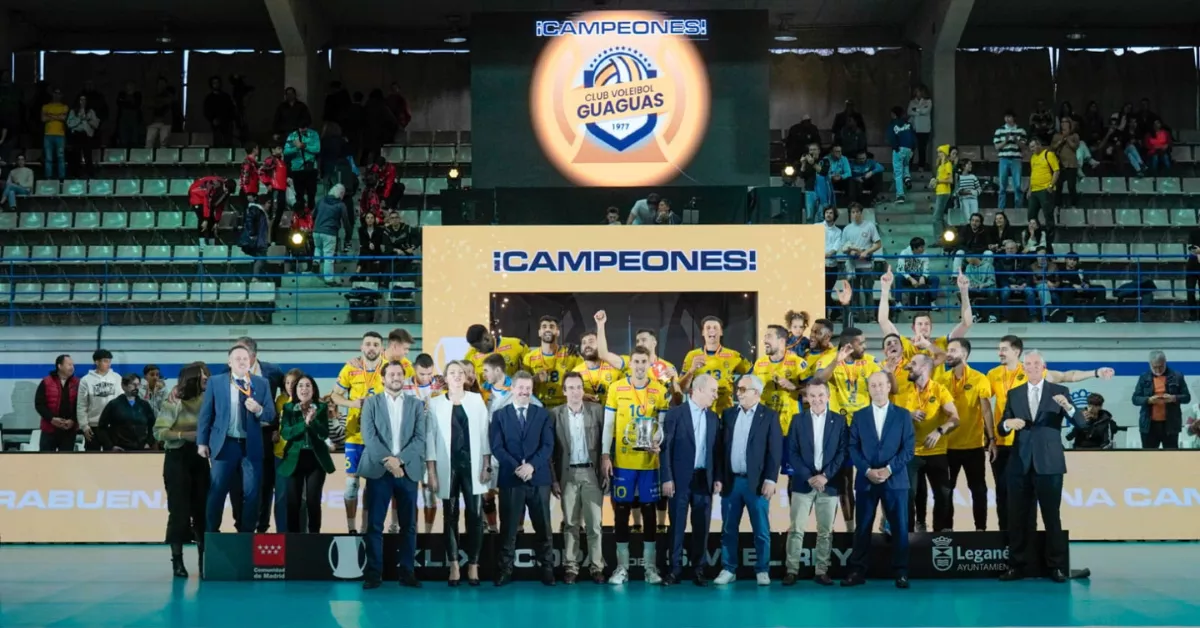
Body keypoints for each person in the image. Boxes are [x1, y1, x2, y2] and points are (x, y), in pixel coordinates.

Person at [997, 350, 1085, 584]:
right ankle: (1017, 566)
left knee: (1051, 516)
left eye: (1037, 363)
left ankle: (1056, 566)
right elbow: (1001, 427)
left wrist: (1068, 407)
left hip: (1049, 464)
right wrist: (1007, 423)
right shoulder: (1014, 393)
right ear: (1023, 367)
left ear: (1043, 366)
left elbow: (1082, 424)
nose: (1033, 367)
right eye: (1029, 363)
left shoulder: (1060, 391)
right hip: (1020, 464)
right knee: (1018, 517)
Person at [602, 347, 672, 584]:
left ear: (650, 363)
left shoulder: (659, 390)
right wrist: (605, 454)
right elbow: (608, 425)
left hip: (649, 463)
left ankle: (650, 568)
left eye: (644, 361)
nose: (640, 366)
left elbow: (661, 426)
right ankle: (621, 568)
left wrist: (657, 442)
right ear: (630, 363)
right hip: (623, 462)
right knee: (621, 512)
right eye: (636, 361)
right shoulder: (616, 388)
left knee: (649, 512)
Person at [358, 360, 427, 590]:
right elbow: (369, 437)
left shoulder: (416, 405)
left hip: (408, 471)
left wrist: (400, 461)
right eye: (392, 374)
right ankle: (373, 574)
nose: (396, 377)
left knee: (409, 526)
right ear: (383, 378)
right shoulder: (371, 403)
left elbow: (420, 438)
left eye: (399, 374)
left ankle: (407, 572)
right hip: (379, 471)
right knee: (374, 524)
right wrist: (389, 462)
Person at [842, 372, 914, 589]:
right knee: (863, 527)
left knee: (900, 527)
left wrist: (889, 470)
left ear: (889, 387)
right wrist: (866, 471)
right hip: (867, 481)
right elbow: (853, 447)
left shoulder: (903, 415)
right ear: (869, 389)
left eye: (881, 384)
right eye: (873, 385)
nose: (878, 389)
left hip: (896, 481)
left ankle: (901, 572)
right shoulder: (859, 416)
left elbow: (908, 449)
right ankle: (857, 571)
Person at [426, 361, 493, 587]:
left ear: (465, 377)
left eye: (460, 373)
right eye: (452, 373)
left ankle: (473, 564)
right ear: (445, 378)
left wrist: (486, 464)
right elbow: (430, 439)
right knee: (450, 515)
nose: (456, 376)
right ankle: (454, 564)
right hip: (448, 467)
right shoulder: (435, 403)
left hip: (473, 465)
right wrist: (431, 471)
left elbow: (484, 433)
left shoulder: (476, 401)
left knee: (475, 515)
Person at [197, 345, 276, 532]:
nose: (242, 362)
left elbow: (270, 414)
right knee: (217, 491)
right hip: (225, 444)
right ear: (229, 362)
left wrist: (258, 409)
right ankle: (211, 535)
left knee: (252, 493)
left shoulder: (261, 383)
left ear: (251, 362)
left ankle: (246, 535)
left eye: (245, 359)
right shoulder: (216, 382)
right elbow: (206, 414)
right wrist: (202, 441)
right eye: (237, 358)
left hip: (251, 446)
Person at [713, 374, 782, 586]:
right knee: (728, 529)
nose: (738, 393)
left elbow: (775, 451)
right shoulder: (728, 414)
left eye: (743, 390)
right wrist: (719, 477)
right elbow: (720, 450)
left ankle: (762, 569)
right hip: (731, 482)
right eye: (738, 389)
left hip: (758, 483)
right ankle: (728, 568)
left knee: (761, 530)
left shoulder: (769, 416)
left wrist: (771, 479)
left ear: (757, 393)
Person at [489, 371, 556, 587]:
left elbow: (548, 445)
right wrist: (517, 467)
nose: (525, 392)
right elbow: (497, 447)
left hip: (538, 479)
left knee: (543, 527)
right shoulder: (499, 415)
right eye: (521, 388)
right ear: (512, 389)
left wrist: (531, 466)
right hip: (511, 479)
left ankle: (547, 569)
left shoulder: (543, 414)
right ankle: (504, 570)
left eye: (528, 388)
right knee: (508, 529)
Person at [783, 381, 847, 586]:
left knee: (825, 531)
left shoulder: (839, 421)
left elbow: (842, 452)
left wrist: (825, 476)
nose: (816, 399)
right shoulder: (797, 420)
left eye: (820, 395)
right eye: (812, 396)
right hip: (803, 483)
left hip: (829, 483)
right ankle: (792, 570)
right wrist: (809, 476)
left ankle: (821, 571)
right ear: (806, 398)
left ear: (828, 397)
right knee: (796, 529)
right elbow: (792, 451)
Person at [660, 373, 720, 586]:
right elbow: (665, 449)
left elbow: (716, 451)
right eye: (713, 391)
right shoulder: (675, 414)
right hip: (678, 480)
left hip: (704, 480)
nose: (716, 395)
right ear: (699, 390)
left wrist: (717, 477)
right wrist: (667, 478)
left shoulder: (713, 418)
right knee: (677, 526)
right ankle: (674, 570)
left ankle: (699, 569)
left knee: (702, 527)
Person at [154, 362, 211, 578]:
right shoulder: (174, 401)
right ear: (193, 378)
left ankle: (204, 559)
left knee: (202, 510)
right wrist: (183, 435)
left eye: (207, 374)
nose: (206, 378)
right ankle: (177, 560)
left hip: (200, 458)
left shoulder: (208, 399)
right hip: (177, 458)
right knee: (179, 511)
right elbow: (159, 432)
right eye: (202, 375)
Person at [549, 371, 606, 585]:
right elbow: (550, 452)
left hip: (592, 473)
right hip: (567, 475)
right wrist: (554, 480)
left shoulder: (597, 411)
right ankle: (571, 567)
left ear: (583, 390)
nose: (575, 391)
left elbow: (605, 444)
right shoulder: (554, 414)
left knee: (594, 524)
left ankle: (597, 567)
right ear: (564, 391)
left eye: (579, 387)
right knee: (571, 523)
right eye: (571, 388)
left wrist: (606, 471)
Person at [893, 354, 959, 532]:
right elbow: (892, 418)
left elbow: (955, 418)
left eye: (913, 363)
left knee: (943, 495)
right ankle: (907, 535)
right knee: (908, 495)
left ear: (924, 368)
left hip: (936, 452)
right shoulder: (903, 391)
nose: (908, 366)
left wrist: (940, 430)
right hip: (910, 453)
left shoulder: (939, 390)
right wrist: (908, 415)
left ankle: (939, 536)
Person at [935, 338, 995, 531]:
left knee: (978, 490)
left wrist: (991, 439)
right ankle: (947, 531)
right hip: (947, 446)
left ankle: (980, 530)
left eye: (953, 350)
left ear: (965, 354)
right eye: (948, 350)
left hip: (973, 446)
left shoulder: (979, 378)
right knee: (945, 491)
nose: (948, 354)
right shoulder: (941, 379)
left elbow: (986, 411)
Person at [332, 332, 387, 534]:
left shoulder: (389, 368)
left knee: (373, 486)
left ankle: (366, 527)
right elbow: (335, 395)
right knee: (351, 485)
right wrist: (352, 403)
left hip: (379, 437)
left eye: (375, 344)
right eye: (368, 344)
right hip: (354, 434)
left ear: (382, 349)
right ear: (361, 347)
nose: (371, 348)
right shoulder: (350, 368)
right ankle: (351, 529)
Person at [279, 374, 335, 533]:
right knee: (293, 502)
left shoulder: (321, 407)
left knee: (313, 501)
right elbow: (286, 433)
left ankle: (314, 536)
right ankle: (294, 538)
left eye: (308, 385)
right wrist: (305, 423)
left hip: (316, 459)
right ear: (295, 390)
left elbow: (324, 433)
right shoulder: (288, 408)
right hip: (294, 459)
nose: (304, 389)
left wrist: (313, 421)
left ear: (313, 389)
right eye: (300, 386)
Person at [680, 316, 752, 415]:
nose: (711, 330)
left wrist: (743, 392)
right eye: (708, 328)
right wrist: (691, 370)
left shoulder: (733, 355)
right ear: (703, 332)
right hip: (700, 413)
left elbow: (753, 375)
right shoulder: (692, 356)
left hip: (725, 413)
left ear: (721, 332)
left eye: (715, 328)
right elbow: (681, 389)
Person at [1131, 350, 1191, 450]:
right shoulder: (1144, 377)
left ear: (1165, 362)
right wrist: (1148, 400)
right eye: (1155, 367)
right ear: (1150, 364)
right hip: (1149, 426)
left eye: (1161, 366)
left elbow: (1187, 397)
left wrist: (1174, 398)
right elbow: (1135, 399)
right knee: (1149, 456)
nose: (1158, 370)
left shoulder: (1177, 376)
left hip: (1170, 425)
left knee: (1171, 456)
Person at [96, 373, 157, 451]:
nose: (136, 387)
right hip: (120, 449)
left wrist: (149, 442)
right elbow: (101, 428)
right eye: (133, 384)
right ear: (123, 386)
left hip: (142, 449)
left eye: (138, 384)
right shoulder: (114, 404)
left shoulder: (144, 405)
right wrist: (110, 446)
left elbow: (154, 426)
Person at [77, 349, 121, 452]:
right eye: (105, 361)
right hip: (93, 426)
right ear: (97, 362)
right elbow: (81, 405)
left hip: (112, 425)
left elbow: (121, 401)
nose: (108, 364)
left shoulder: (117, 378)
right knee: (92, 457)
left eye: (109, 361)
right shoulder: (85, 380)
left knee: (112, 456)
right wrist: (84, 426)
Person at [35, 354, 79, 452]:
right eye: (69, 365)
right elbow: (39, 404)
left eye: (73, 365)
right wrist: (52, 419)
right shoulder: (46, 382)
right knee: (46, 459)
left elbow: (81, 405)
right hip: (50, 429)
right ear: (60, 366)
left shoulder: (77, 383)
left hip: (69, 430)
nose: (72, 367)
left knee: (66, 460)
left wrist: (73, 420)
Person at [313, 184, 348, 285]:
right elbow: (346, 220)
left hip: (317, 230)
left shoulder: (321, 200)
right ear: (341, 194)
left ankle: (316, 261)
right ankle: (329, 279)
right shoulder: (340, 205)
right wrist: (348, 234)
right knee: (329, 256)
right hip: (330, 232)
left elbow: (313, 214)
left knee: (318, 247)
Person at [188, 176, 237, 246]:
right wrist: (205, 219)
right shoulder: (214, 186)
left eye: (228, 192)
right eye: (226, 190)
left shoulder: (226, 192)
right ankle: (202, 245)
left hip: (206, 197)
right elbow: (207, 202)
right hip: (196, 193)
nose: (226, 192)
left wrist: (217, 221)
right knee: (203, 220)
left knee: (212, 222)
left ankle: (212, 244)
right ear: (224, 185)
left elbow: (219, 207)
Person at [40, 87, 68, 180]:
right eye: (55, 93)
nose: (56, 95)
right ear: (52, 94)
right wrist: (57, 116)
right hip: (48, 135)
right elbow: (43, 119)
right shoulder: (45, 106)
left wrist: (50, 116)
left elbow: (63, 118)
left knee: (61, 157)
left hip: (60, 135)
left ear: (61, 95)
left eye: (58, 93)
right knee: (48, 158)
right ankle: (48, 177)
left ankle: (61, 178)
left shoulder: (64, 107)